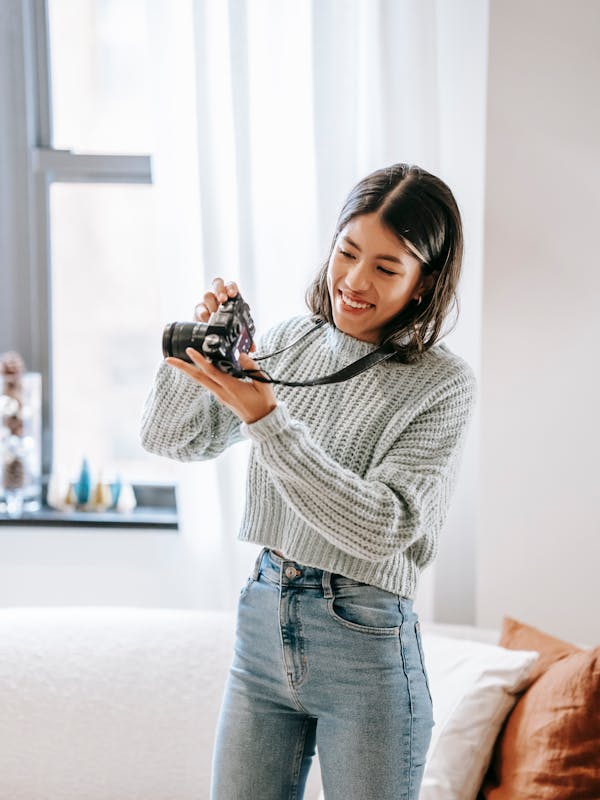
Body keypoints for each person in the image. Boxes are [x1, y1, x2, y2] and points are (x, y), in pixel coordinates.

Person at [141, 163, 476, 800]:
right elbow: (171, 439)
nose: (354, 281)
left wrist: (268, 420)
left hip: (366, 643)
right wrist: (195, 357)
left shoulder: (442, 384)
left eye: (386, 267)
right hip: (266, 623)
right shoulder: (292, 343)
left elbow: (383, 527)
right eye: (347, 252)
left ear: (424, 282)